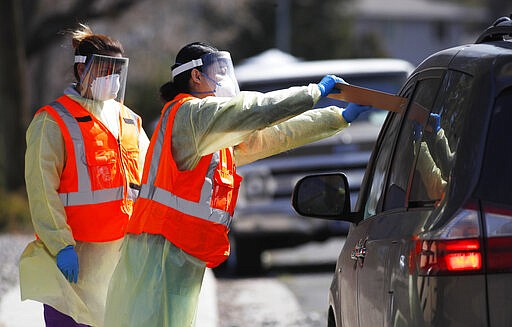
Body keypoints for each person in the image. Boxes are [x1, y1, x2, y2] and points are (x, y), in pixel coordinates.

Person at [104, 41, 371, 326]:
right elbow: (255, 109)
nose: (222, 79)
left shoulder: (209, 130)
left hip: (175, 247)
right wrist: (313, 93)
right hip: (160, 249)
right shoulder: (192, 115)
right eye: (216, 72)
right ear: (195, 76)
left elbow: (272, 137)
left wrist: (335, 118)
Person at [18, 24, 150, 327]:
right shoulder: (52, 122)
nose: (112, 79)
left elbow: (148, 181)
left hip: (120, 261)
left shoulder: (128, 120)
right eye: (105, 69)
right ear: (81, 71)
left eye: (117, 70)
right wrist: (60, 245)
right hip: (72, 261)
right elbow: (41, 191)